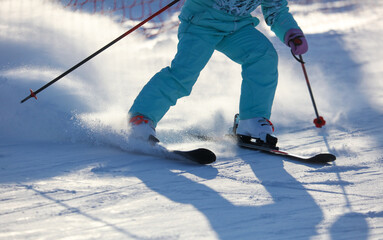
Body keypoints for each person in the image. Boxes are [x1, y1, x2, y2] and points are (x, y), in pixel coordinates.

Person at [128, 0, 308, 145]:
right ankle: (141, 118)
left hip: (236, 26)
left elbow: (276, 9)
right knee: (184, 73)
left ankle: (251, 119)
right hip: (201, 21)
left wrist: (291, 33)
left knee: (263, 56)